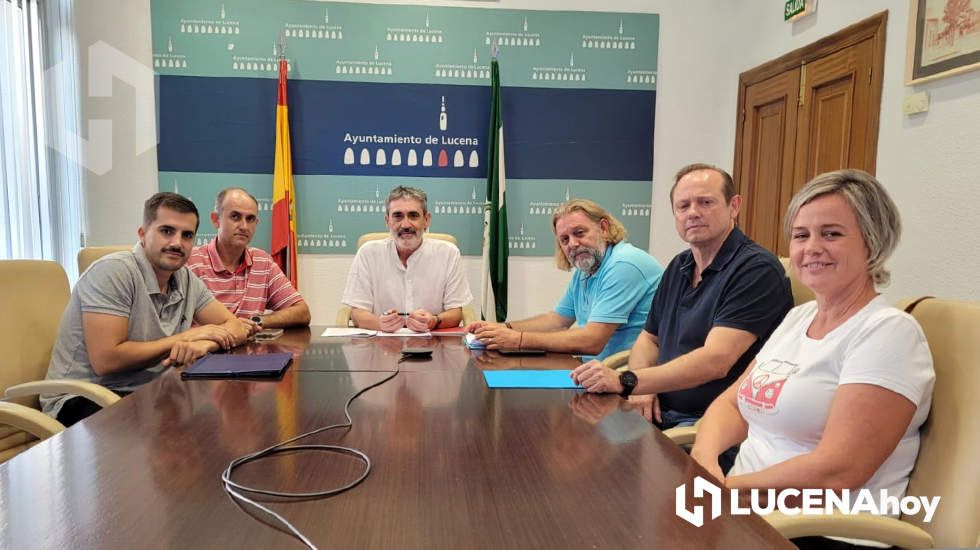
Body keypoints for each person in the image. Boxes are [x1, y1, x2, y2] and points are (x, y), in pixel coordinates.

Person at [690, 169, 935, 549]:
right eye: (801, 235)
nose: (812, 247)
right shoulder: (798, 318)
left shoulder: (888, 333)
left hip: (818, 531)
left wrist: (724, 490)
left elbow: (838, 471)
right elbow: (732, 402)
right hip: (745, 510)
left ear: (873, 243)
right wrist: (704, 463)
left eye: (832, 234)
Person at [571, 164, 792, 435]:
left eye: (706, 202)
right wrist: (642, 388)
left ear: (734, 206)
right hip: (658, 409)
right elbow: (649, 339)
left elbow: (716, 361)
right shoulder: (680, 265)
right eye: (683, 206)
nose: (693, 213)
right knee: (576, 439)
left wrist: (629, 380)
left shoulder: (756, 270)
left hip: (709, 425)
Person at [42, 192, 255, 426]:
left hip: (147, 393)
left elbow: (234, 326)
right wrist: (185, 337)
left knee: (218, 425)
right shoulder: (113, 272)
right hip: (85, 396)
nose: (177, 243)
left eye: (187, 235)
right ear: (143, 234)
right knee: (186, 438)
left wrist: (203, 344)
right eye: (166, 231)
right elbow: (106, 360)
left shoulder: (185, 278)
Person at [468, 199, 664, 361]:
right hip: (596, 371)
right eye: (564, 239)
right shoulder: (586, 268)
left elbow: (592, 341)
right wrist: (502, 328)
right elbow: (558, 320)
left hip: (626, 377)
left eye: (579, 233)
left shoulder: (624, 264)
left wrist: (518, 339)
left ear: (604, 228)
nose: (573, 244)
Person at [341, 185, 472, 332]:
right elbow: (357, 312)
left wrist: (434, 320)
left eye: (413, 215)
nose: (405, 224)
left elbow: (456, 312)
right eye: (398, 216)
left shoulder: (449, 253)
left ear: (426, 220)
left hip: (432, 345)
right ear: (387, 221)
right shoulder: (368, 253)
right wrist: (380, 324)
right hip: (382, 346)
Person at [187, 187, 311, 329]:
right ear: (216, 220)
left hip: (250, 349)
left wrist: (255, 322)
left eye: (250, 219)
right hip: (204, 349)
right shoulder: (191, 262)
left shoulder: (262, 262)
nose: (244, 226)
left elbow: (302, 312)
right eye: (235, 217)